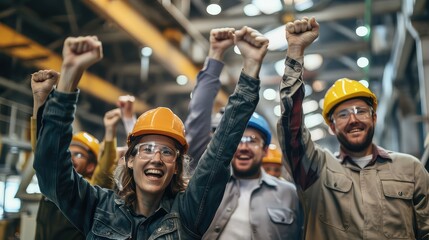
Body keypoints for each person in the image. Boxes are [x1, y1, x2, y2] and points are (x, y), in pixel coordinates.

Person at [33, 26, 266, 239]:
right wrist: (69, 77)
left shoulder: (188, 212)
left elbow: (221, 149)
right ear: (130, 159)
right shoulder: (97, 207)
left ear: (176, 166)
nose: (157, 158)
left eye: (167, 152)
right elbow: (51, 172)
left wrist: (250, 70)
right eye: (147, 149)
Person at [278, 16, 429, 239]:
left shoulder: (410, 169)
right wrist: (295, 52)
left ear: (374, 117)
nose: (353, 120)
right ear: (331, 126)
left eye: (361, 111)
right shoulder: (317, 171)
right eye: (343, 114)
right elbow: (292, 128)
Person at [31, 70, 123, 239]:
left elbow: (104, 174)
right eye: (69, 152)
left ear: (91, 165)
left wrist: (110, 131)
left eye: (79, 155)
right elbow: (45, 152)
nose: (71, 157)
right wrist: (40, 100)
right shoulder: (52, 181)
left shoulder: (87, 197)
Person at [203, 111, 302, 239]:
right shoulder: (210, 187)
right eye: (238, 140)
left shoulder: (290, 194)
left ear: (265, 150)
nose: (243, 147)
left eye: (252, 140)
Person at [184, 27, 235, 173]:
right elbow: (200, 111)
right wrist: (216, 53)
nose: (218, 140)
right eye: (213, 132)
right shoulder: (198, 159)